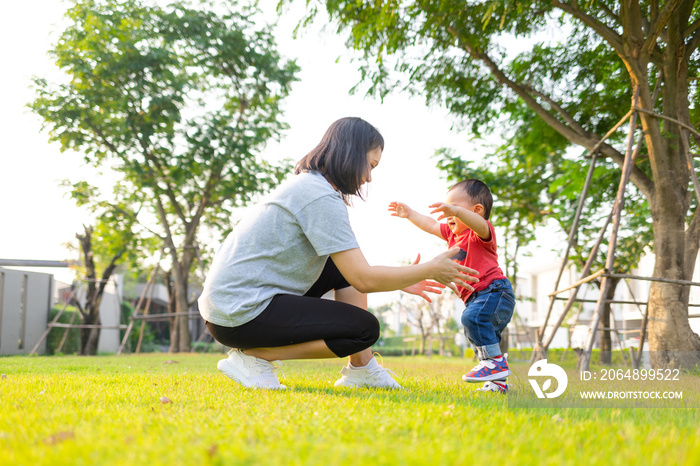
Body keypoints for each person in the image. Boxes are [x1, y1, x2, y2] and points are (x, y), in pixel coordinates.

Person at [198, 117, 478, 390]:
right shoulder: (318, 195)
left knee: (336, 267)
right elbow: (363, 278)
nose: (369, 177)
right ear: (351, 154)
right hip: (239, 312)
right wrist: (429, 268)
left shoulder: (310, 185)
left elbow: (351, 270)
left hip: (230, 306)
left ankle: (362, 369)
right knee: (363, 329)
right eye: (370, 165)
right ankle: (254, 358)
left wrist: (403, 279)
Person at [388, 179, 515, 394]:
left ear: (476, 211)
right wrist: (410, 214)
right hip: (478, 297)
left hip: (494, 291)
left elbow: (480, 223)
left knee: (471, 319)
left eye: (453, 207)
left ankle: (494, 364)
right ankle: (497, 383)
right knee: (482, 337)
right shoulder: (452, 235)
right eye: (447, 208)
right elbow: (430, 224)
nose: (448, 213)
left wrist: (456, 211)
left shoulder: (481, 233)